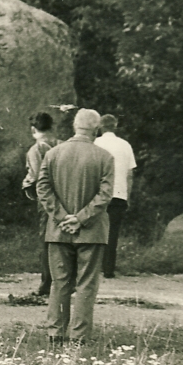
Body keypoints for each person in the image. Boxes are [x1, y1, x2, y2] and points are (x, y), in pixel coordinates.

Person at [36, 108, 114, 345]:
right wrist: (80, 218)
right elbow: (105, 194)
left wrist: (61, 217)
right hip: (92, 231)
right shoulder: (105, 157)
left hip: (58, 231)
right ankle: (78, 336)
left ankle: (55, 332)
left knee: (60, 282)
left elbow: (42, 188)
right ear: (97, 129)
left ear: (74, 126)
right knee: (86, 284)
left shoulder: (53, 154)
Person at [93, 114, 137, 279]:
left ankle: (92, 266)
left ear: (100, 126)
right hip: (119, 193)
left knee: (94, 229)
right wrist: (128, 195)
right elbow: (129, 174)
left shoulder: (95, 144)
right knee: (112, 232)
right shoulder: (125, 145)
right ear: (116, 126)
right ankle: (109, 268)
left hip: (98, 193)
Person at [22, 112, 59, 296]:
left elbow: (37, 177)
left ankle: (46, 283)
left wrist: (27, 183)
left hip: (46, 199)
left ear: (33, 130)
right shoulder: (62, 145)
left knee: (46, 239)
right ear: (52, 127)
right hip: (65, 197)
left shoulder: (36, 150)